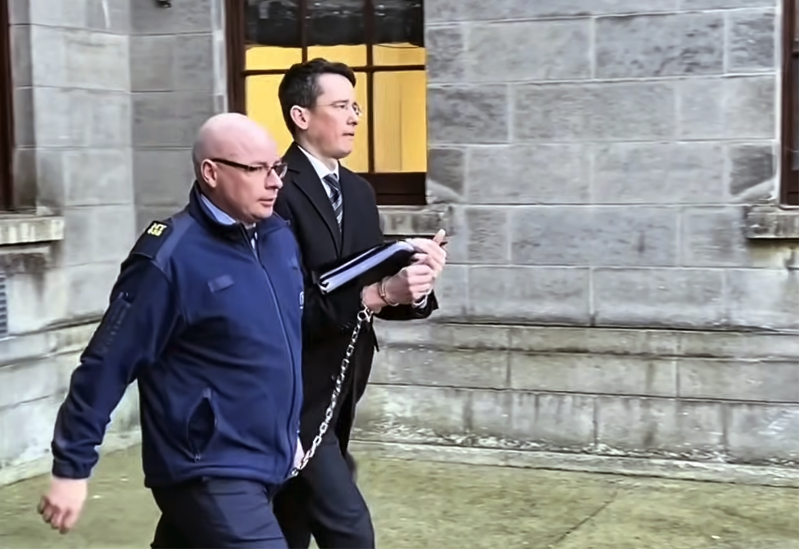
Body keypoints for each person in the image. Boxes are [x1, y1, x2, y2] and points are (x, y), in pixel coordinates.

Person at [37, 113, 305, 549]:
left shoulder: (278, 238)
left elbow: (282, 341)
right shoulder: (168, 257)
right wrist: (72, 467)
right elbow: (107, 362)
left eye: (277, 167)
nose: (274, 181)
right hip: (206, 467)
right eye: (257, 169)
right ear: (211, 172)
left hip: (266, 459)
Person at [271, 58, 448, 549]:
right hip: (293, 392)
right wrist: (377, 294)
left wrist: (415, 285)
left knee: (289, 522)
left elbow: (375, 288)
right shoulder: (273, 191)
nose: (355, 116)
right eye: (342, 105)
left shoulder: (360, 191)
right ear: (301, 116)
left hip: (344, 382)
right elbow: (287, 306)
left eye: (357, 106)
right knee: (348, 528)